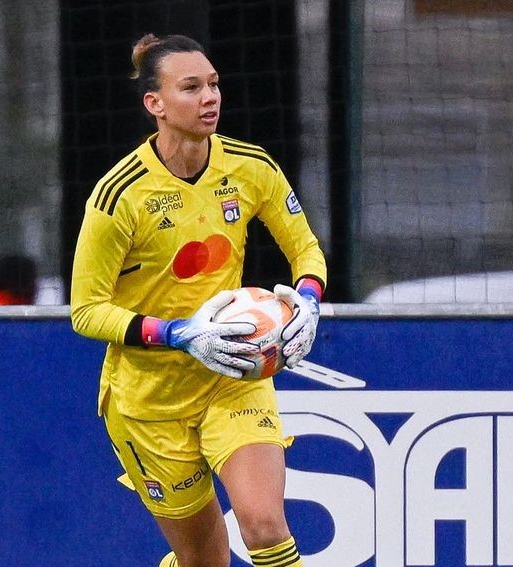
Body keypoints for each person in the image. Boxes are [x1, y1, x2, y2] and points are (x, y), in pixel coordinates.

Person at [70, 34, 326, 567]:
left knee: (264, 527)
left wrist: (307, 300)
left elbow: (305, 248)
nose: (209, 96)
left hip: (233, 377)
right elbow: (86, 310)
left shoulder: (251, 168)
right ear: (154, 104)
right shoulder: (119, 195)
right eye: (191, 87)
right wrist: (180, 333)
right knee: (206, 561)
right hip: (149, 402)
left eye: (213, 84)